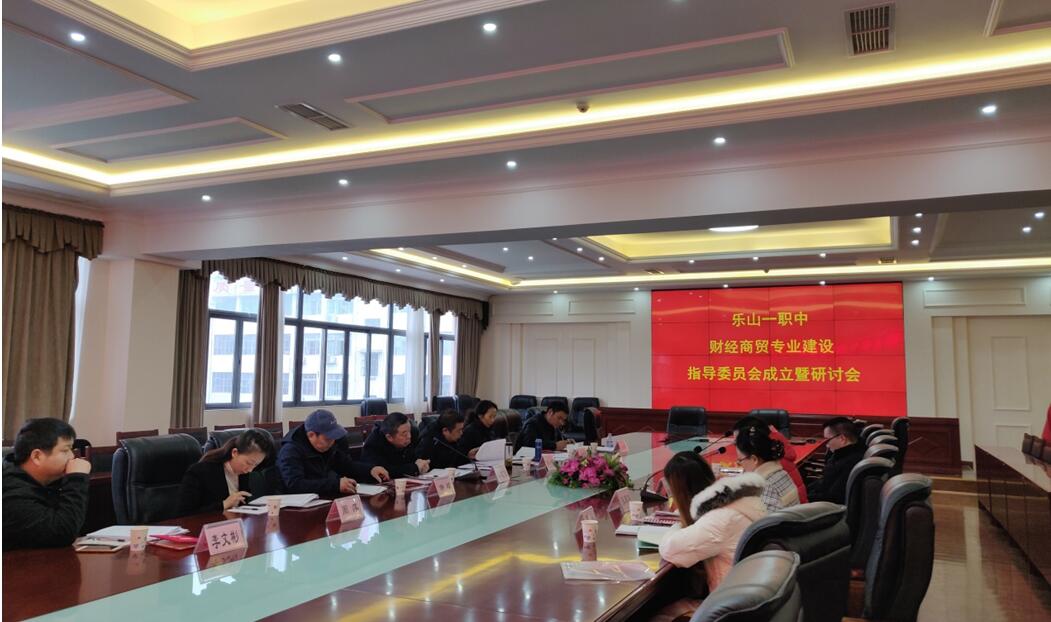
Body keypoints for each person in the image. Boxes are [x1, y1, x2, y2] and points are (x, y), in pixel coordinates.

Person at [653, 450, 768, 621]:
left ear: (680, 492)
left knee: (657, 616)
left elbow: (671, 550)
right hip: (751, 600)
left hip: (731, 610)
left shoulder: (719, 519)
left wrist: (676, 526)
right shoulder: (738, 502)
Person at [3, 418, 92, 550]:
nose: (72, 457)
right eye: (65, 450)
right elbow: (63, 533)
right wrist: (76, 479)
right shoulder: (12, 494)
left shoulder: (47, 482)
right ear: (37, 456)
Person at [278, 409, 388, 495]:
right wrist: (335, 485)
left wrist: (370, 470)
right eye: (328, 439)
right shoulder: (290, 450)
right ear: (311, 435)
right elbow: (295, 484)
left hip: (324, 498)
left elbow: (346, 465)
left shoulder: (328, 445)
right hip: (297, 507)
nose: (332, 442)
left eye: (334, 438)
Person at [176, 429, 275, 516]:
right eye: (249, 463)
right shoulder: (201, 471)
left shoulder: (243, 472)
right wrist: (224, 504)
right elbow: (184, 513)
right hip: (205, 527)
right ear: (235, 453)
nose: (250, 470)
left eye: (255, 465)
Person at [732, 415, 807, 503]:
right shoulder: (771, 452)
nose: (737, 446)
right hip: (798, 509)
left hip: (797, 508)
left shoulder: (767, 478)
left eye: (738, 442)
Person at [806, 416, 866, 504]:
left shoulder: (851, 462)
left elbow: (833, 497)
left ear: (842, 439)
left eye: (827, 440)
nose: (826, 445)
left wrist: (802, 497)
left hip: (825, 507)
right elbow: (824, 482)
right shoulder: (844, 453)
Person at [362, 412, 430, 477]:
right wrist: (414, 468)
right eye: (404, 434)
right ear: (389, 437)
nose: (409, 436)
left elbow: (417, 458)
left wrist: (422, 464)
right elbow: (384, 471)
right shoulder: (373, 444)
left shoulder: (414, 433)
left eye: (409, 431)